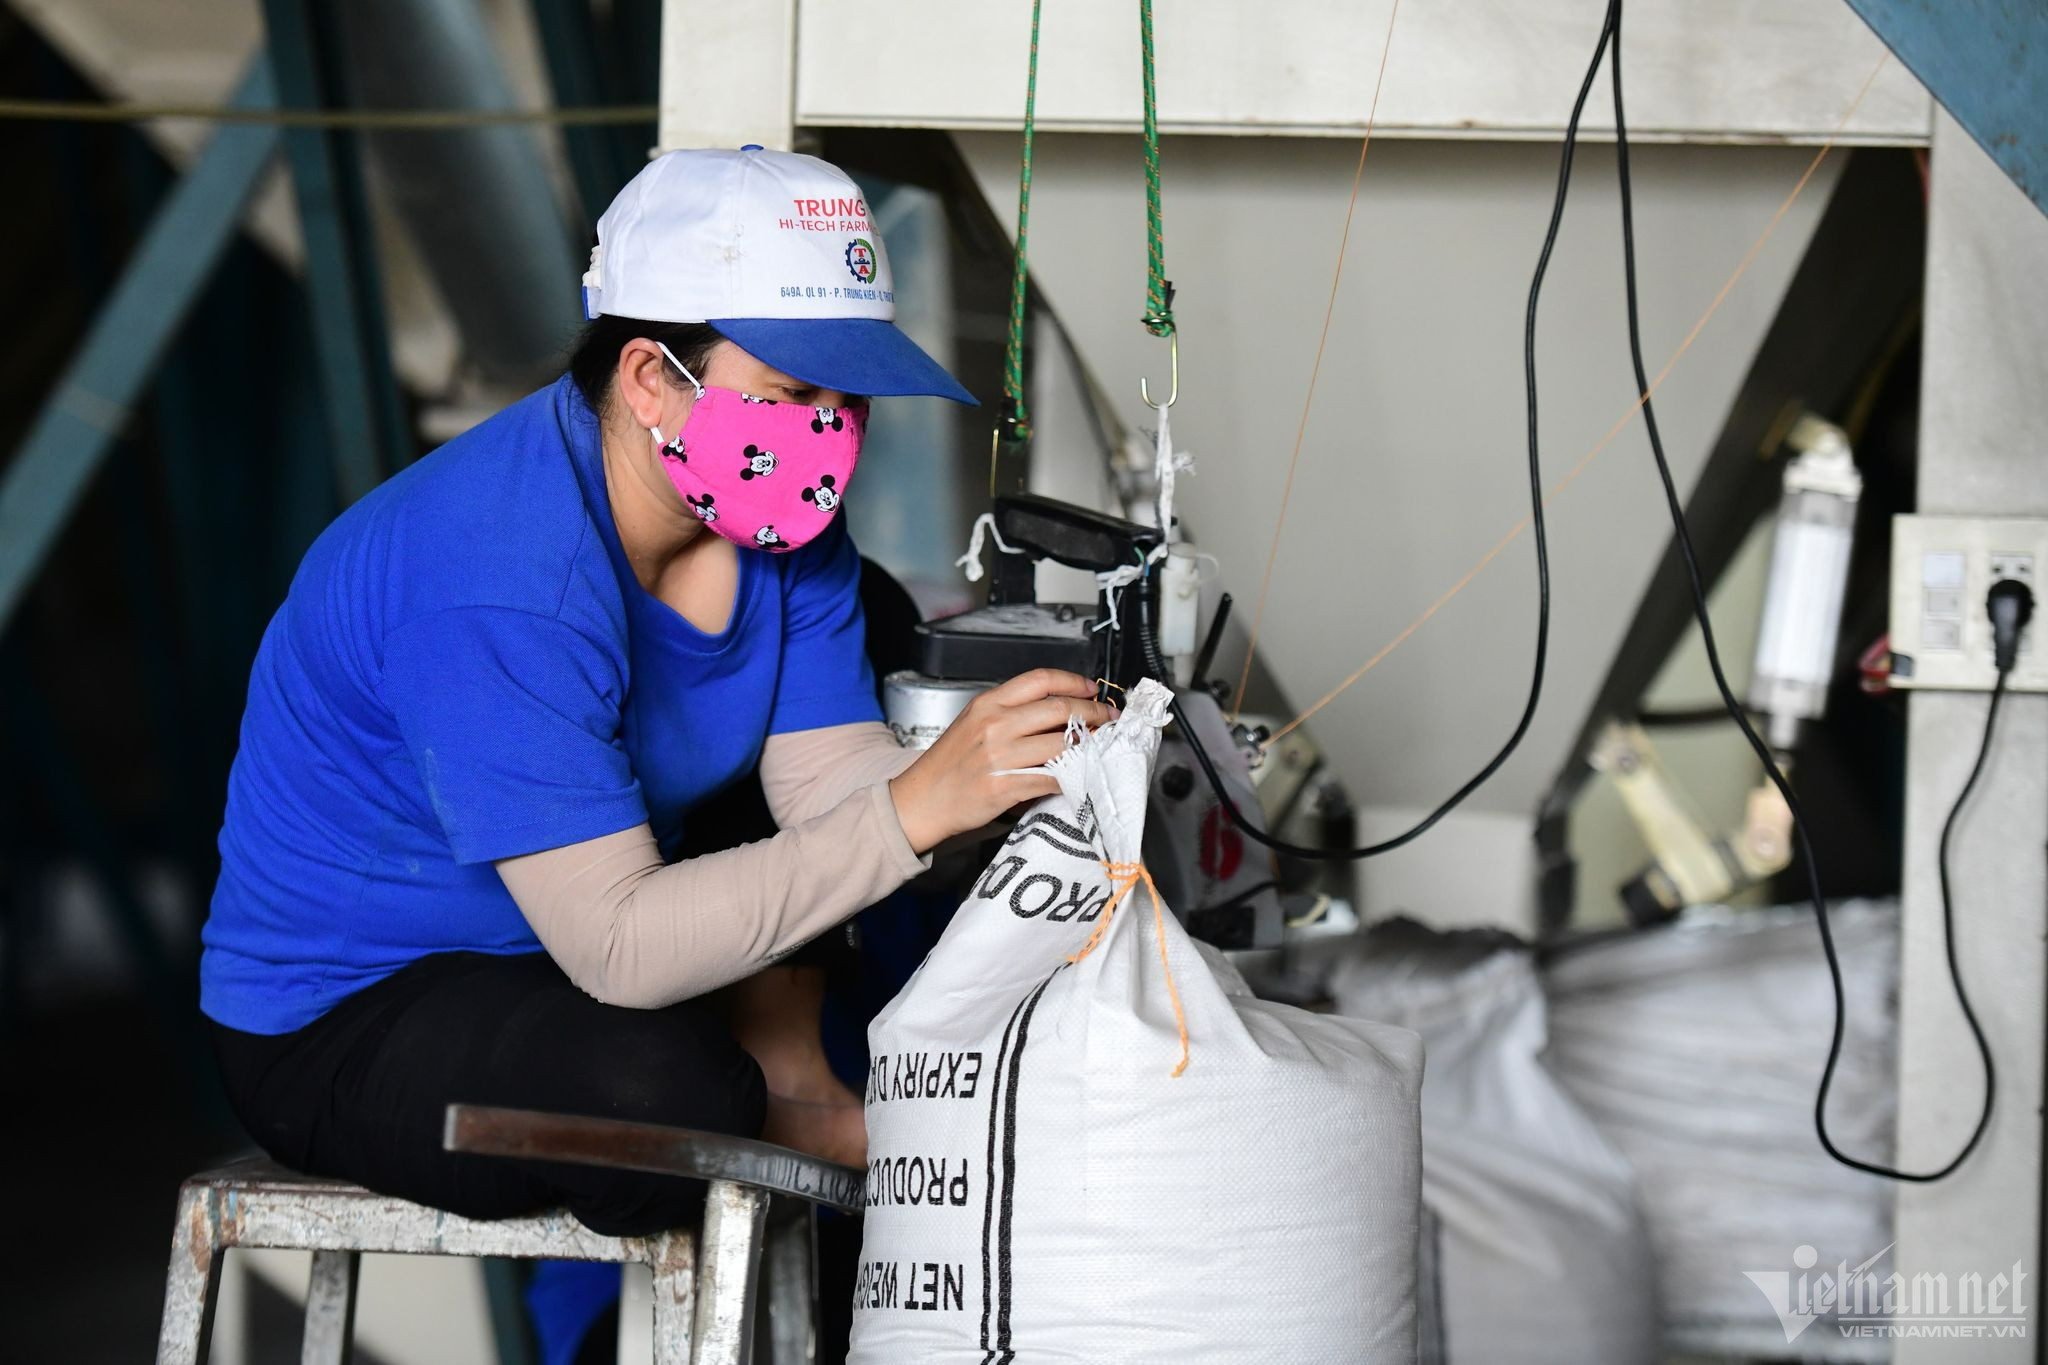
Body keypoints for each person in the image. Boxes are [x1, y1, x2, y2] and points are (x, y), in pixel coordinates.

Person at [199, 146, 1115, 1238]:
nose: (828, 434)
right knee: (666, 1104)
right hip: (356, 1010)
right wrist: (917, 807)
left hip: (569, 955)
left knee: (872, 611)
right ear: (647, 379)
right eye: (791, 393)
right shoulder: (497, 573)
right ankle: (771, 1101)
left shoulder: (781, 522)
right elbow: (623, 947)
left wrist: (994, 792)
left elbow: (826, 779)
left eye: (849, 398)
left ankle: (790, 1072)